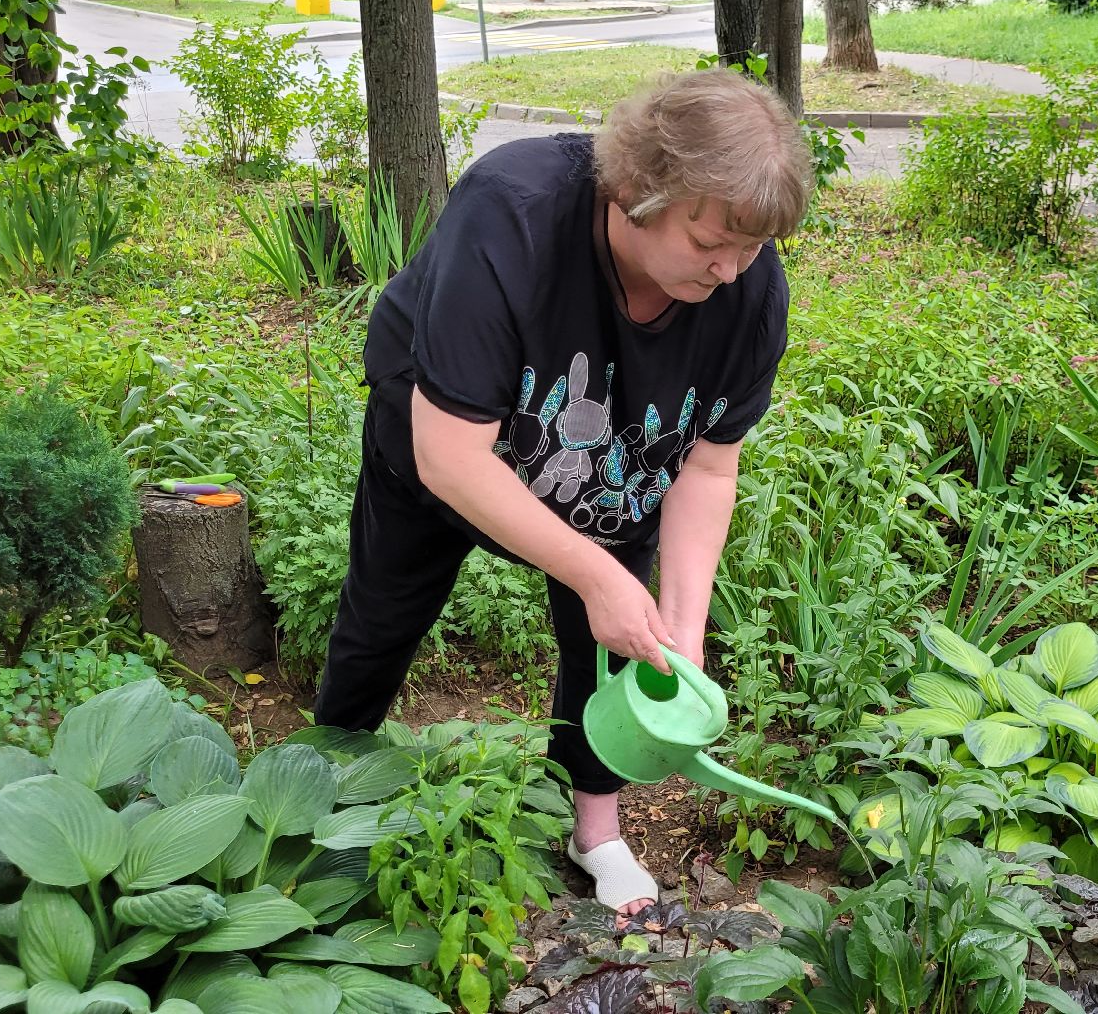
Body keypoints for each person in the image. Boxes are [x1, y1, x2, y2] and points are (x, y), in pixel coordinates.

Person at [312, 69, 813, 918]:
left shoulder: (748, 295)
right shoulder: (511, 215)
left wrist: (681, 631)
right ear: (635, 193)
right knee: (383, 616)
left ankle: (596, 831)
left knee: (618, 646)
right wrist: (596, 575)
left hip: (612, 462)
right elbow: (451, 459)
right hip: (447, 443)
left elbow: (708, 465)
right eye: (709, 242)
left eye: (755, 246)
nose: (732, 270)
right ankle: (320, 789)